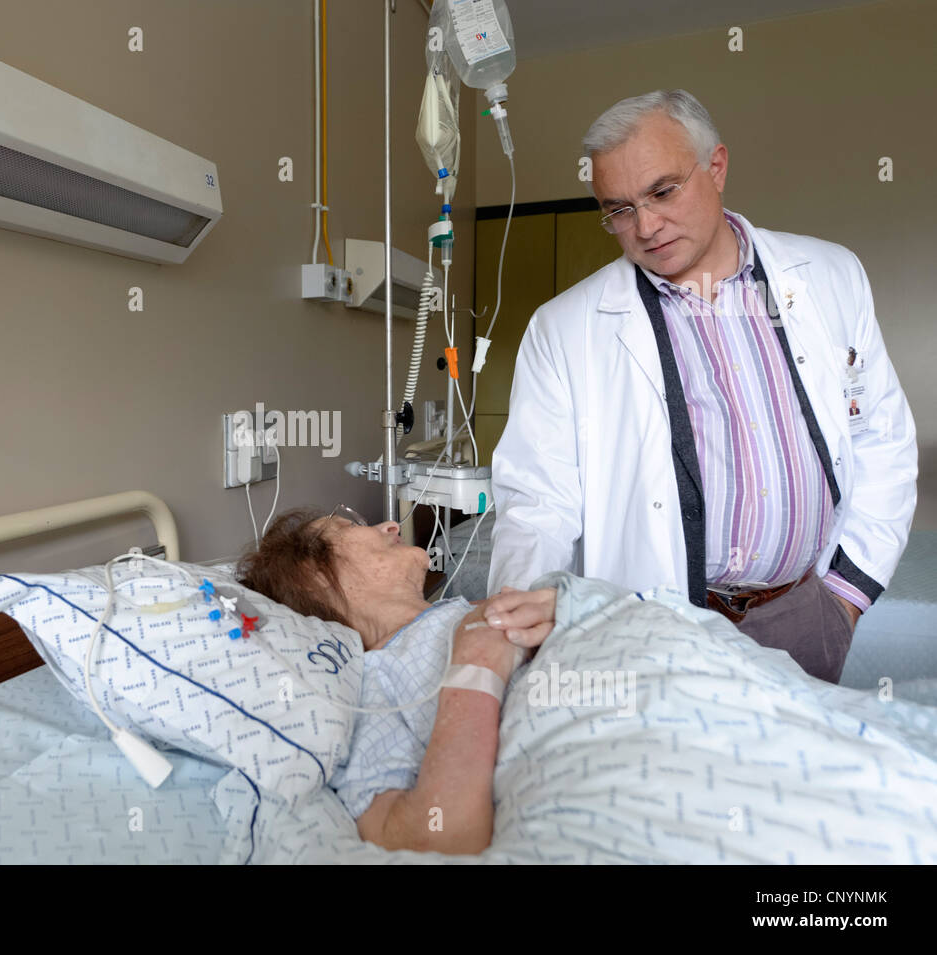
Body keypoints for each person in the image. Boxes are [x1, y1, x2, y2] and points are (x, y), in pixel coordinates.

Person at [486, 89, 917, 684]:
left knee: (791, 775)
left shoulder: (830, 275)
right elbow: (538, 503)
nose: (646, 226)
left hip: (803, 611)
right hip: (653, 623)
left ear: (716, 168)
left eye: (663, 192)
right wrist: (515, 627)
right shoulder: (565, 328)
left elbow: (881, 438)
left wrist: (845, 597)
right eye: (618, 209)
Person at [237, 506, 557, 855]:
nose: (390, 525)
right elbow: (432, 835)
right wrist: (477, 664)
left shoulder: (470, 609)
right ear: (315, 576)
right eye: (350, 526)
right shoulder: (369, 688)